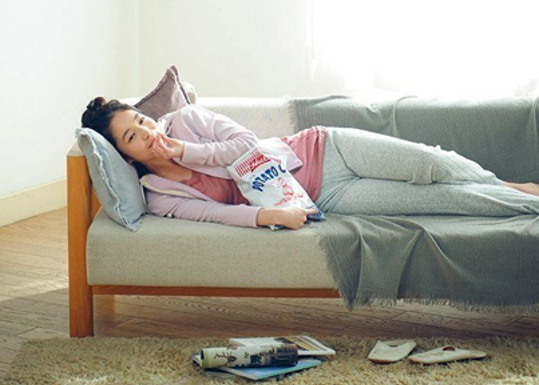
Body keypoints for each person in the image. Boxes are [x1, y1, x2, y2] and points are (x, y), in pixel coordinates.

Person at [81, 97, 539, 230]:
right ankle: (527, 204)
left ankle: (510, 185)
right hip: (328, 195)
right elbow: (216, 213)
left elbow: (244, 144)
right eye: (133, 136)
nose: (148, 132)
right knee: (441, 201)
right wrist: (269, 216)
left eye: (141, 120)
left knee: (431, 166)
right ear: (125, 156)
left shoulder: (186, 120)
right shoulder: (160, 196)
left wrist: (186, 151)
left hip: (324, 148)